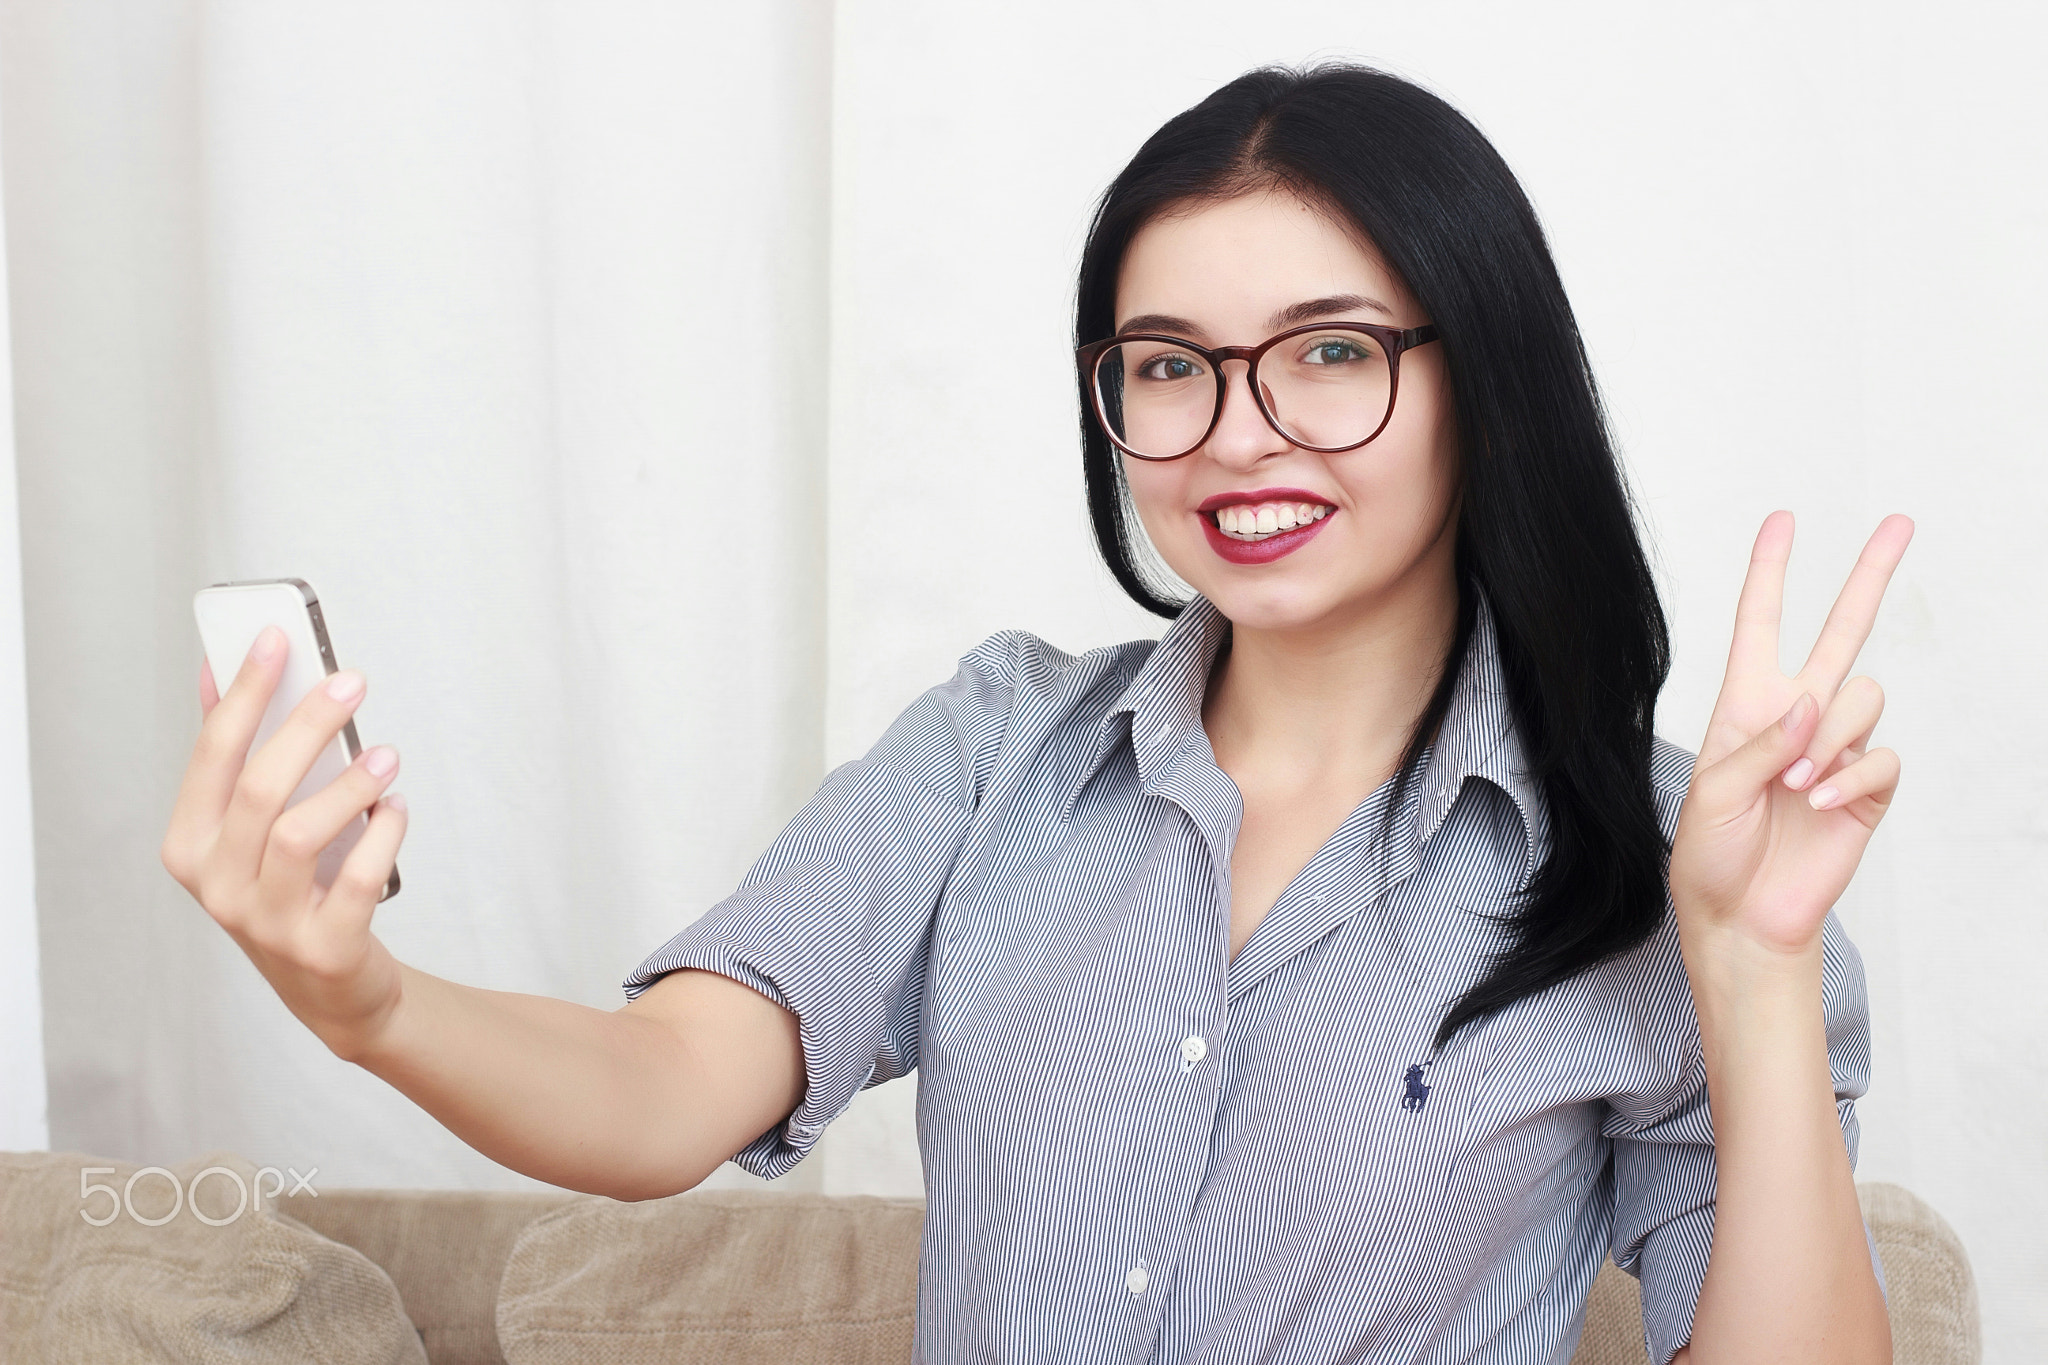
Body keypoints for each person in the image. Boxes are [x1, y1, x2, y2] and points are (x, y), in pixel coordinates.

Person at [160, 63, 1906, 1365]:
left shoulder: (1681, 872)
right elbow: (661, 1092)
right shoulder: (1001, 749)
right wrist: (363, 996)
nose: (1238, 432)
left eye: (1329, 351)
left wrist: (1747, 974)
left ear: (1482, 376)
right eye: (1168, 363)